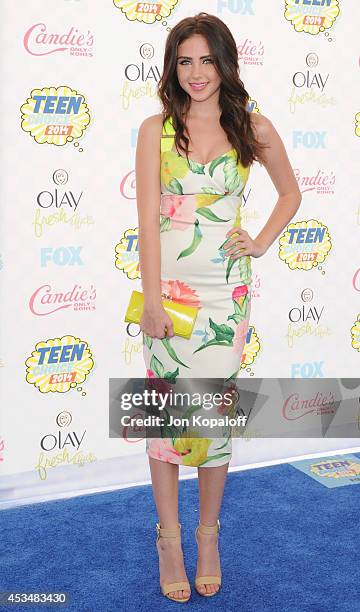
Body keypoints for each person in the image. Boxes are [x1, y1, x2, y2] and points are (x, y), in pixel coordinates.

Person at [135, 12, 301, 603]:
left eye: (207, 60)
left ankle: (209, 536)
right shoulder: (155, 129)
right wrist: (151, 300)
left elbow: (291, 192)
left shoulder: (252, 126)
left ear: (225, 63)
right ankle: (170, 540)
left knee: (212, 419)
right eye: (185, 61)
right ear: (172, 67)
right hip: (169, 299)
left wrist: (258, 241)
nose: (197, 73)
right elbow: (148, 225)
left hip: (226, 298)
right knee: (166, 420)